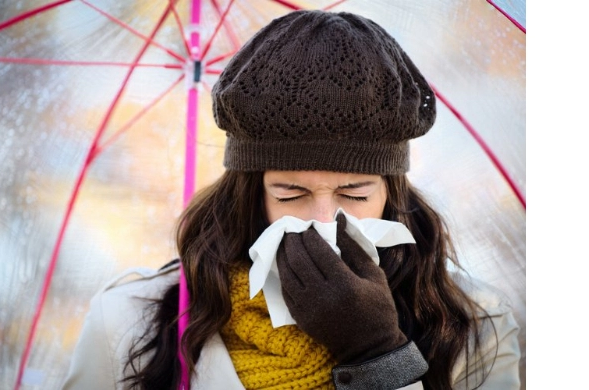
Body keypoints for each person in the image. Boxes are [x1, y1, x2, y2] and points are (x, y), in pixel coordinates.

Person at [61, 9, 521, 390]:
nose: (323, 220)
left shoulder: (475, 328)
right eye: (291, 193)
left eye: (354, 193)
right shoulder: (128, 322)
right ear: (249, 195)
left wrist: (380, 355)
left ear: (391, 193)